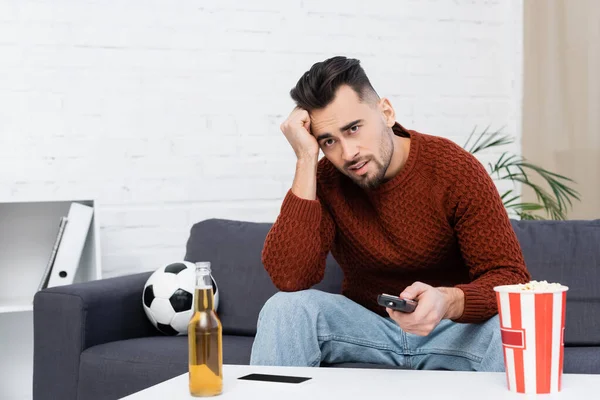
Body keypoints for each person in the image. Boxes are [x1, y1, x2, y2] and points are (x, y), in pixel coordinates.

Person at [250, 56, 531, 371]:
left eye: (354, 129)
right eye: (329, 141)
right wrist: (305, 159)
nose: (348, 153)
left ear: (386, 112)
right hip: (366, 327)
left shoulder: (454, 170)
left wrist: (447, 301)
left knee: (512, 330)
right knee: (285, 309)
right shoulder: (327, 179)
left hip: (452, 330)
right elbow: (290, 278)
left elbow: (512, 280)